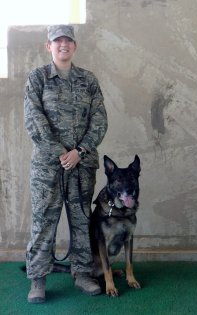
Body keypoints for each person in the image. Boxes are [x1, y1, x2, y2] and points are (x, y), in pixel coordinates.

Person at [24, 25, 108, 303]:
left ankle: (83, 273)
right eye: (57, 40)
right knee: (43, 222)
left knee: (82, 220)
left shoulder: (88, 80)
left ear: (75, 45)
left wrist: (79, 152)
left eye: (68, 40)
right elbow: (34, 120)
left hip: (81, 166)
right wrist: (62, 152)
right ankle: (38, 279)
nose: (63, 45)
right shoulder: (37, 78)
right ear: (48, 46)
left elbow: (99, 120)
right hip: (48, 167)